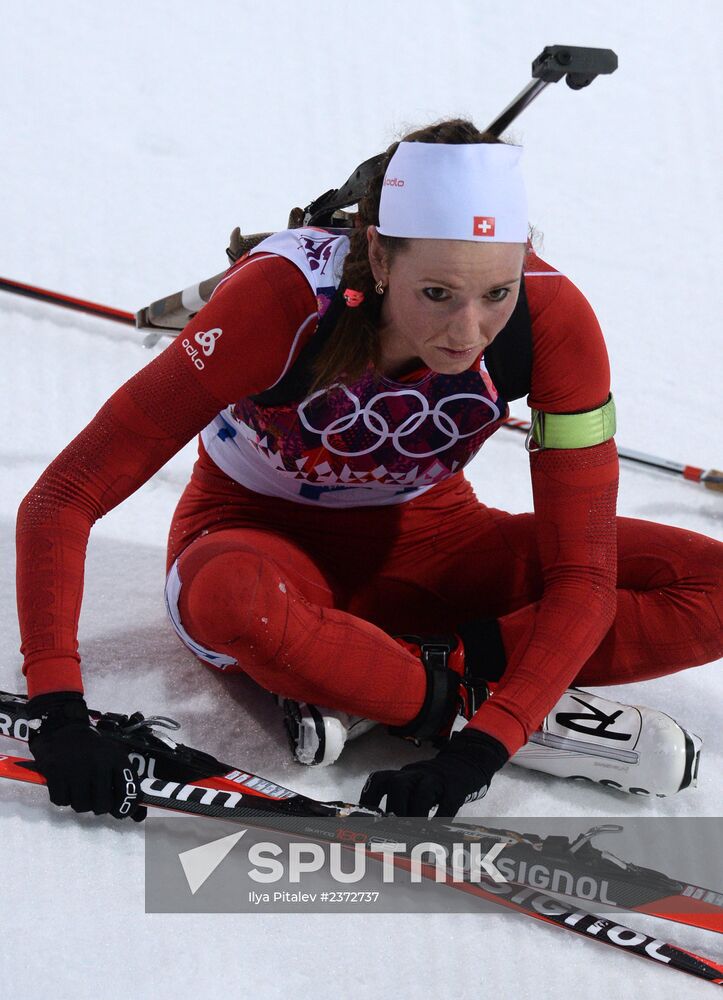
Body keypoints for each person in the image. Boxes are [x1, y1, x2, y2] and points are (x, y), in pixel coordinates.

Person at [16, 119, 722, 821]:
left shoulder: (555, 322)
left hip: (437, 540)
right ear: (379, 258)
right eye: (437, 294)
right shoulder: (279, 302)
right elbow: (66, 497)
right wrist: (58, 710)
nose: (467, 332)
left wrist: (478, 752)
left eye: (496, 295)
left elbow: (582, 577)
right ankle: (468, 699)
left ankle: (374, 683)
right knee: (232, 600)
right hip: (258, 543)